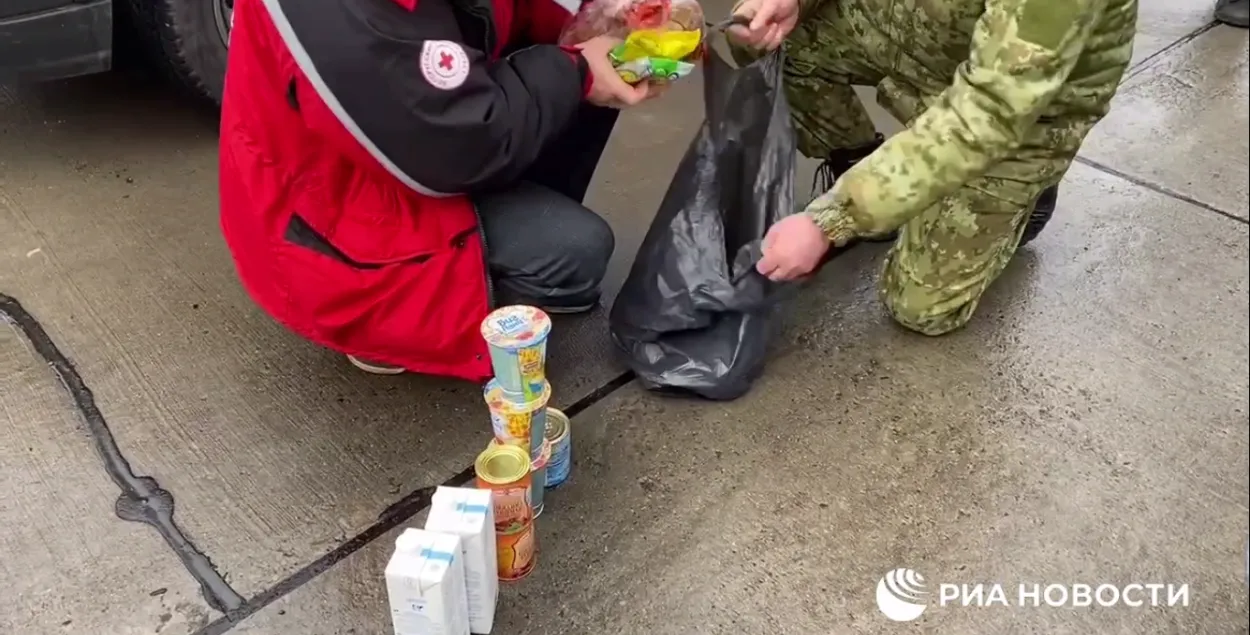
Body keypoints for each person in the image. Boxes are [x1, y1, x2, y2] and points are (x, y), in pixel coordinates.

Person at [219, 0, 658, 378]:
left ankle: (505, 247)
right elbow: (458, 145)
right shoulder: (341, 14)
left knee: (595, 72)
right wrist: (576, 70)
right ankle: (386, 333)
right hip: (335, 226)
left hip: (407, 147)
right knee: (576, 255)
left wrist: (602, 17)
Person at [729, 0, 1137, 336]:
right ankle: (866, 169)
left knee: (919, 306)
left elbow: (991, 109)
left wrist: (833, 218)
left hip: (1019, 110)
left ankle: (1023, 197)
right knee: (772, 42)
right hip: (919, 38)